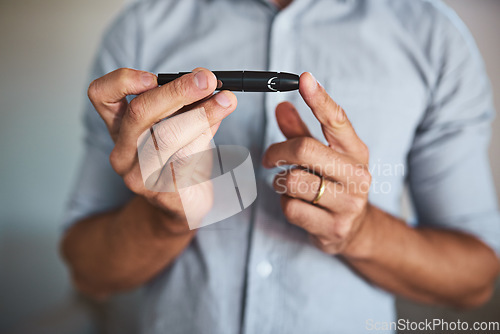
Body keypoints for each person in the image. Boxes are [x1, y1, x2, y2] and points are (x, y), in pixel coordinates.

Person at [60, 0, 500, 332]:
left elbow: (475, 280)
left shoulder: (435, 37)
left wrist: (362, 230)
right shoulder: (142, 28)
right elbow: (87, 269)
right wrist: (164, 219)